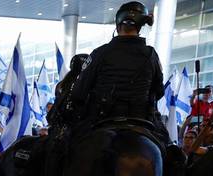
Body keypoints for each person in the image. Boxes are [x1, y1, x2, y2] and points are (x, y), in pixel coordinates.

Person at [70, 2, 163, 132]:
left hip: (100, 121)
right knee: (167, 142)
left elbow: (78, 93)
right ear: (140, 27)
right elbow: (159, 91)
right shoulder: (151, 55)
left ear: (118, 24)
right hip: (141, 121)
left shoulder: (100, 53)